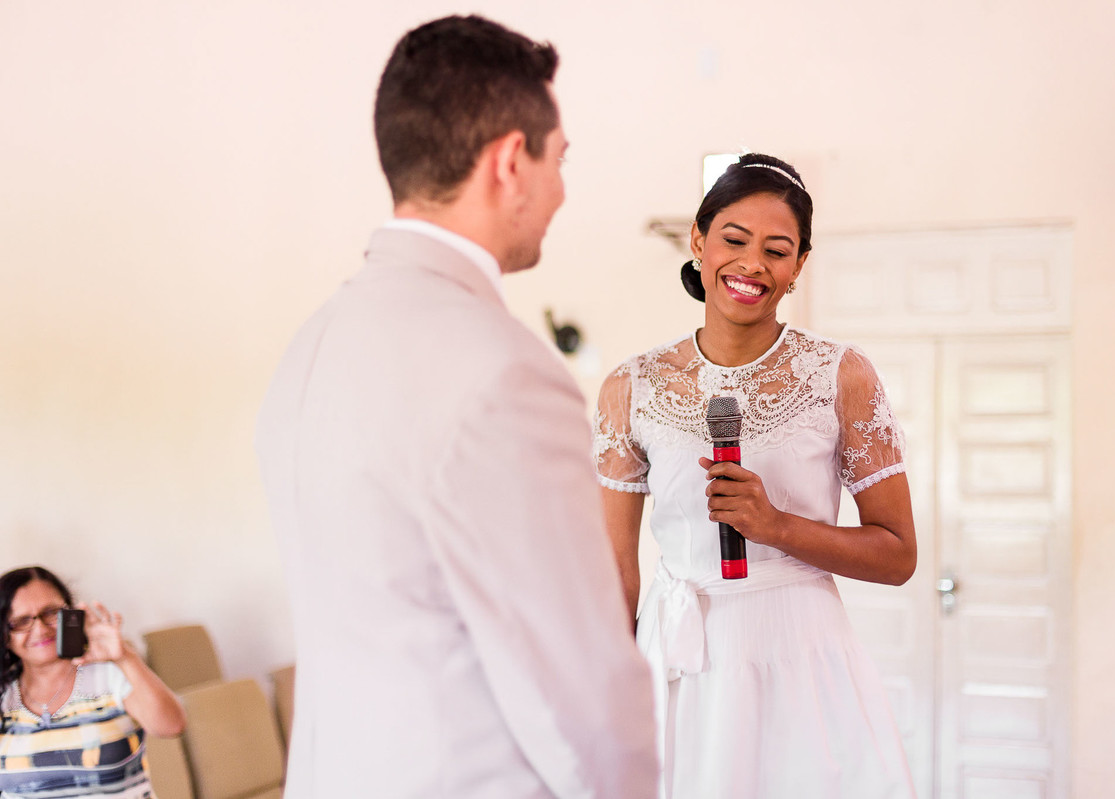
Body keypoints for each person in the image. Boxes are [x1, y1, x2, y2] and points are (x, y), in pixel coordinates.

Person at [255, 14, 657, 799]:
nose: (563, 190)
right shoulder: (505, 371)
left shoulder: (309, 346)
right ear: (511, 161)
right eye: (560, 159)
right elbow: (583, 694)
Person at [594, 153, 918, 798]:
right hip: (678, 658)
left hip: (797, 652)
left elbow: (898, 555)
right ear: (698, 240)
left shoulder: (840, 375)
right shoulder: (633, 386)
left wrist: (776, 526)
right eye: (734, 240)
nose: (751, 265)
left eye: (777, 249)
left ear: (798, 266)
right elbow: (616, 569)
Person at [0, 566, 186, 799]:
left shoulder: (109, 674)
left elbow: (171, 726)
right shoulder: (4, 695)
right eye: (20, 621)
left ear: (72, 614)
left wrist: (125, 657)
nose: (40, 628)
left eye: (51, 612)